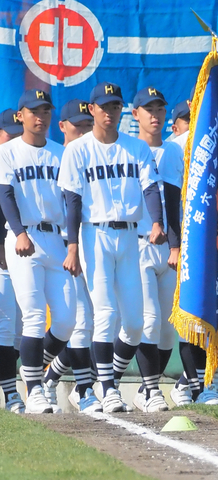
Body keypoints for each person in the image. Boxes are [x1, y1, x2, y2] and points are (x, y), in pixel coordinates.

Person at [58, 82, 166, 413]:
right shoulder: (78, 150)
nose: (110, 112)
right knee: (104, 313)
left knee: (134, 322)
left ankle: (107, 382)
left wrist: (158, 221)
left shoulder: (135, 147)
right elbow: (72, 202)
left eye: (115, 106)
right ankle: (105, 389)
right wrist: (73, 246)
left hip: (130, 235)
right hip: (94, 235)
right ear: (92, 110)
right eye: (104, 106)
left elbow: (150, 188)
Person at [0, 89, 77, 414]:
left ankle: (30, 368)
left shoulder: (61, 153)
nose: (40, 116)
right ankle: (34, 391)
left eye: (45, 110)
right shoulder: (8, 152)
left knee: (66, 320)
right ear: (21, 116)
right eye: (33, 110)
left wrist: (72, 243)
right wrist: (18, 231)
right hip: (24, 238)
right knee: (32, 317)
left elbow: (73, 201)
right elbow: (5, 194)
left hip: (55, 239)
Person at [42, 98, 98, 413]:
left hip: (93, 242)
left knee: (96, 320)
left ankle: (49, 376)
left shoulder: (92, 156)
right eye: (78, 126)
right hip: (63, 245)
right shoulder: (53, 156)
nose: (83, 131)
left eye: (87, 125)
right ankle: (85, 389)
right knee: (78, 320)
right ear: (62, 126)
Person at [130, 87, 183, 412]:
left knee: (166, 330)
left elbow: (174, 203)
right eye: (148, 109)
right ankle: (152, 392)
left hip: (167, 249)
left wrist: (176, 246)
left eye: (160, 109)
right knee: (148, 321)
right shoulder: (129, 148)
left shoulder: (174, 152)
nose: (155, 115)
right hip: (136, 243)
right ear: (134, 114)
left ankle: (144, 388)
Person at [0, 107, 24, 413]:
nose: (16, 139)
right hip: (3, 257)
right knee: (6, 328)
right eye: (10, 134)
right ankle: (11, 395)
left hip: (18, 255)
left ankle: (10, 391)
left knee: (17, 332)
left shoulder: (20, 167)